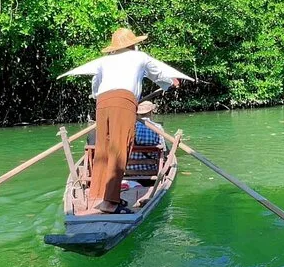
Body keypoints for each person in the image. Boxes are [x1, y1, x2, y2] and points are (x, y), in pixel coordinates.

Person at [59, 28, 192, 214]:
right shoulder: (140, 57)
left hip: (102, 103)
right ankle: (109, 202)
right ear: (132, 44)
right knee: (120, 148)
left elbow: (95, 86)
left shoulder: (104, 61)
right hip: (124, 102)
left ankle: (98, 195)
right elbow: (158, 74)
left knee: (103, 148)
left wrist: (103, 97)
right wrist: (170, 83)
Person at [127, 101, 166, 173]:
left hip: (129, 170)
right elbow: (164, 150)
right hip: (151, 169)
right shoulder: (157, 127)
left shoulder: (128, 127)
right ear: (151, 112)